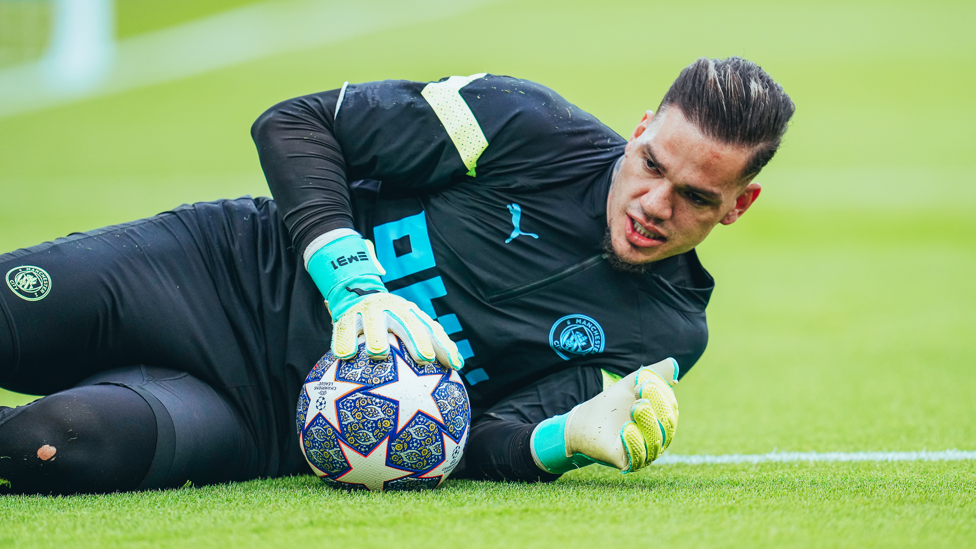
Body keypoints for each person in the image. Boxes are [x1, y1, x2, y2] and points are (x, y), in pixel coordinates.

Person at [0, 57, 794, 494]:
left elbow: (481, 440)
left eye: (694, 197)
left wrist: (555, 442)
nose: (653, 204)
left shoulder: (665, 334)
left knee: (54, 443)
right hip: (219, 271)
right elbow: (296, 122)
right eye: (651, 165)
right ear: (641, 129)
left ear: (738, 205)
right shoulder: (521, 123)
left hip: (267, 422)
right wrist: (353, 282)